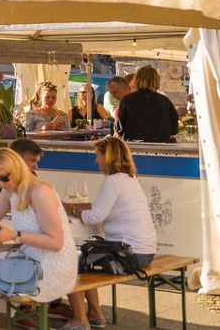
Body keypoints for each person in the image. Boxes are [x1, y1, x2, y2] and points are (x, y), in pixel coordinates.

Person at [0, 148, 76, 330]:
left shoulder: (39, 192)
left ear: (18, 169)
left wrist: (15, 235)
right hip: (27, 257)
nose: (0, 183)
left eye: (3, 178)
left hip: (52, 265)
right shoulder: (10, 190)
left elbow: (56, 243)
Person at [60, 137, 158, 330]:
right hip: (144, 252)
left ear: (108, 156)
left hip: (128, 255)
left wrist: (73, 210)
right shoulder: (129, 178)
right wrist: (77, 207)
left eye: (97, 156)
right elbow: (109, 209)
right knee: (83, 257)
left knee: (69, 262)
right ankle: (95, 313)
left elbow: (94, 217)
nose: (96, 161)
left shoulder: (112, 181)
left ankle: (80, 320)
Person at [115, 66, 179, 143]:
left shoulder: (127, 100)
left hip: (134, 147)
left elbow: (119, 128)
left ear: (137, 79)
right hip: (160, 147)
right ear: (156, 80)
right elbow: (174, 129)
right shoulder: (165, 101)